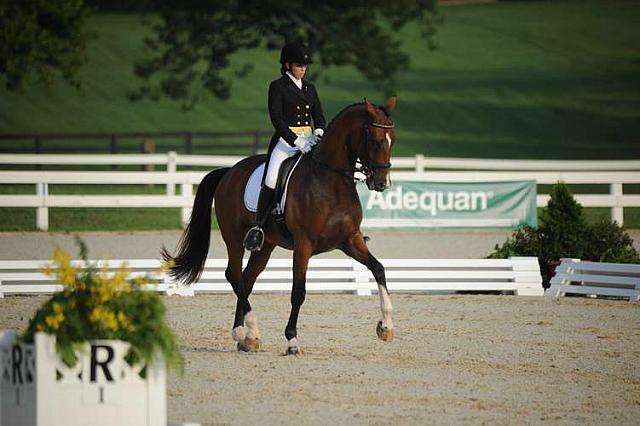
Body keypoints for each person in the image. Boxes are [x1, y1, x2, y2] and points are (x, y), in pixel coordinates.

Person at [243, 41, 326, 251]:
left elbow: (319, 116)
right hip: (285, 143)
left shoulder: (310, 88)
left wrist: (319, 131)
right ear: (288, 65)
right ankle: (258, 227)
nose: (303, 70)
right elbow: (277, 120)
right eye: (299, 66)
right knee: (271, 179)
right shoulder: (278, 86)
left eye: (305, 66)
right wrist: (295, 141)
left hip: (309, 141)